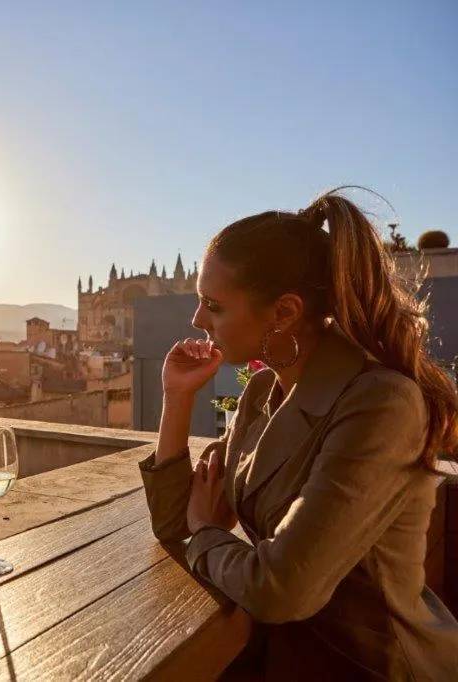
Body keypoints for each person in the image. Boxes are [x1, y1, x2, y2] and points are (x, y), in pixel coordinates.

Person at [139, 189, 458, 680]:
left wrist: (207, 532)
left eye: (213, 305)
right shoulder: (265, 390)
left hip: (373, 667)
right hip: (285, 657)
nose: (197, 320)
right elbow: (174, 524)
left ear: (284, 312)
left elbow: (281, 589)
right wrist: (177, 398)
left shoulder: (380, 404)